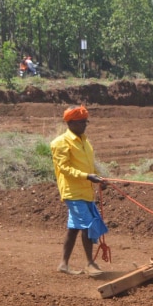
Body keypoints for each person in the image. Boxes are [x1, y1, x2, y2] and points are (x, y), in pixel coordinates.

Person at [51, 105, 108, 275]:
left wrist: (98, 178)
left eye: (86, 121)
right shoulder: (60, 143)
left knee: (74, 228)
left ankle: (63, 264)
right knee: (87, 226)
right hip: (72, 191)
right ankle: (90, 263)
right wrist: (87, 176)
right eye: (82, 122)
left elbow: (89, 166)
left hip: (86, 191)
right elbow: (64, 168)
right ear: (71, 123)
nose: (85, 124)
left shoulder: (85, 141)